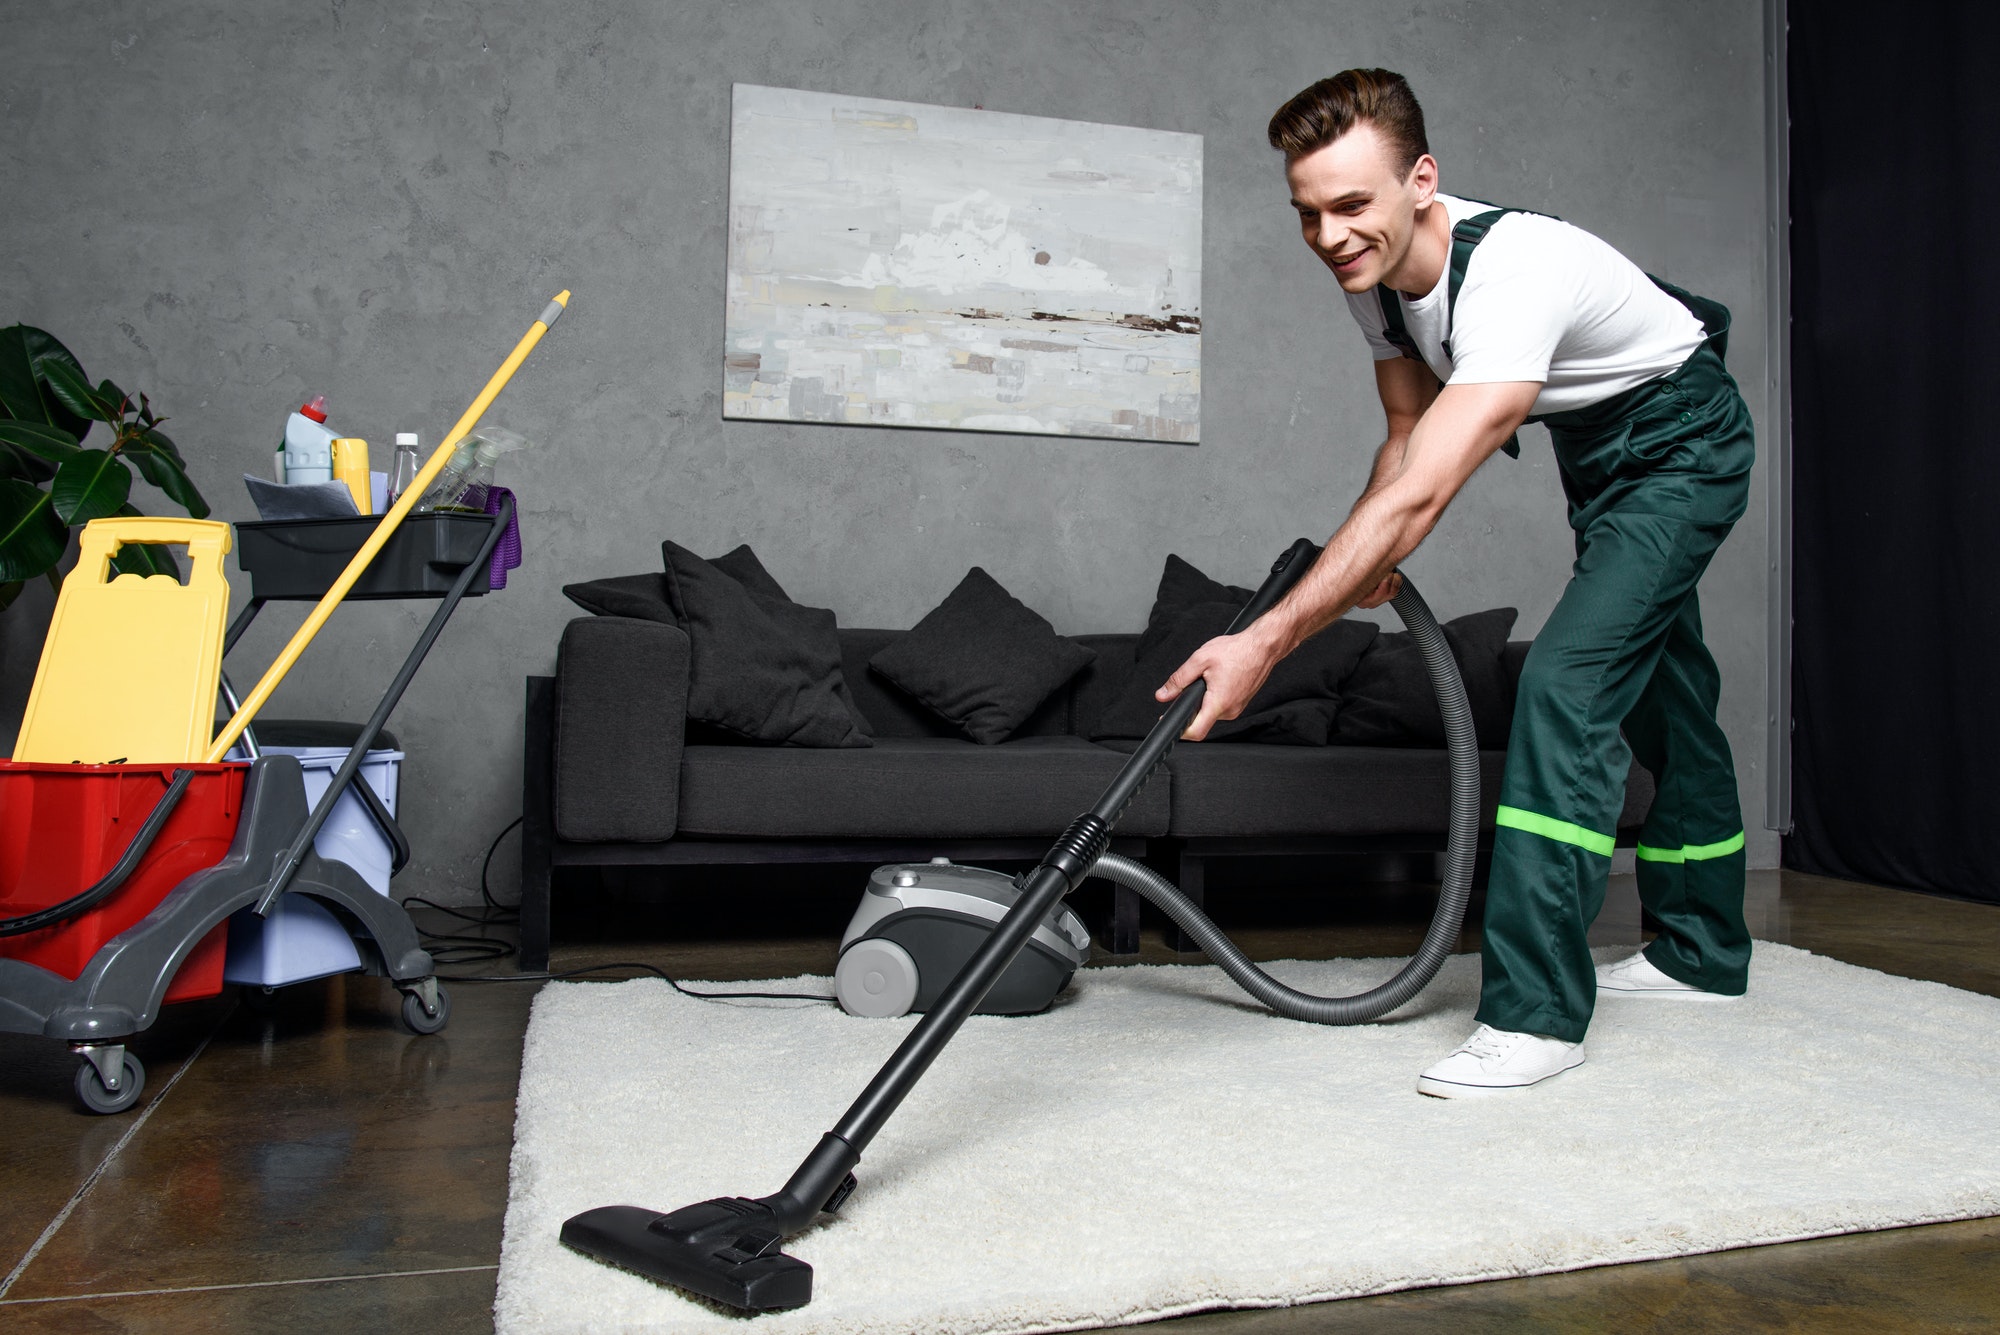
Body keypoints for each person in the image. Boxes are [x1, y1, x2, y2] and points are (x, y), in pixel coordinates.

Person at [1157, 69, 1754, 1097]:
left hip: (1680, 444)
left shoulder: (1516, 271)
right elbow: (1402, 438)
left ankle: (1534, 1016)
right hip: (1600, 453)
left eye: (1352, 206)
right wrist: (1373, 556)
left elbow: (1427, 488)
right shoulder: (1376, 285)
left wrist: (1268, 637)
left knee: (1567, 683)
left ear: (1419, 180)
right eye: (1307, 215)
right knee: (1666, 690)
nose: (1330, 236)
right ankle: (1702, 952)